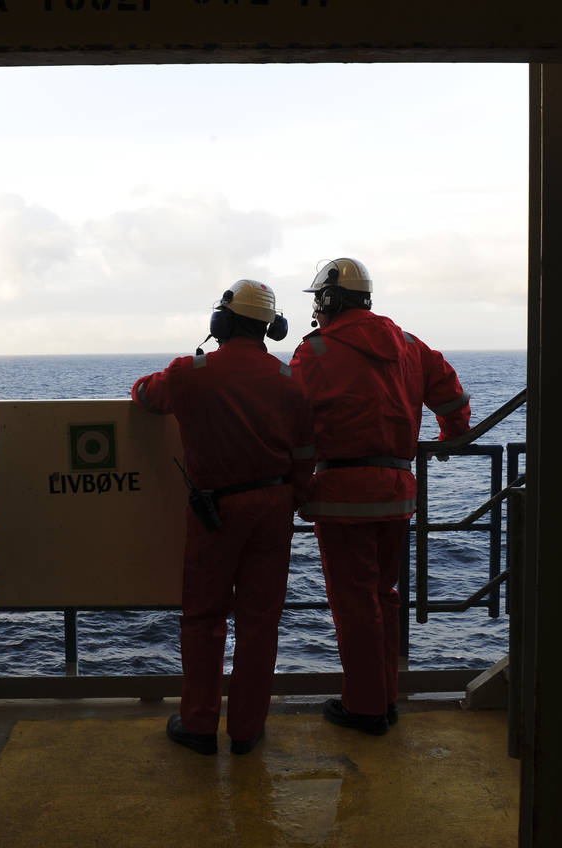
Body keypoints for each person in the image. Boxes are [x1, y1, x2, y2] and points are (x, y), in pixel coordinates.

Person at [289, 258, 471, 735]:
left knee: (354, 605)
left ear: (328, 300)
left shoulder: (316, 351)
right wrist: (452, 434)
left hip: (341, 496)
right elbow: (451, 395)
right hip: (397, 494)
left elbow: (293, 425)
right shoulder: (410, 346)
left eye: (318, 303)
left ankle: (366, 708)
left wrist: (293, 482)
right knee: (384, 598)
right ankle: (385, 696)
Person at [131, 279, 314, 756]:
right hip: (275, 508)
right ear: (271, 328)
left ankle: (198, 725)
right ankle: (247, 730)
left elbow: (145, 397)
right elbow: (304, 454)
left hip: (216, 511)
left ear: (221, 322)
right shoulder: (291, 381)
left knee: (204, 619)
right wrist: (292, 497)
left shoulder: (190, 373)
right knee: (260, 623)